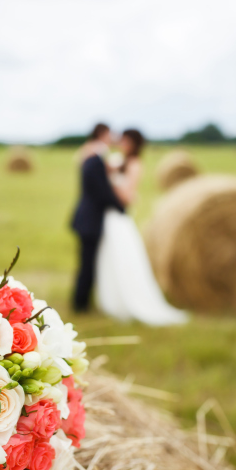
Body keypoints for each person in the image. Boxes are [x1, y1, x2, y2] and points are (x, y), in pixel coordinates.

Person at [95, 128, 188, 326]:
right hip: (108, 217)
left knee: (123, 258)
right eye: (122, 140)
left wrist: (109, 183)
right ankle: (111, 301)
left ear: (136, 144)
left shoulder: (135, 164)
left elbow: (128, 196)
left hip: (119, 218)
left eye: (128, 141)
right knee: (108, 259)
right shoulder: (116, 160)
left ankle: (129, 302)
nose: (123, 144)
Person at [71, 124, 125, 312]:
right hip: (89, 221)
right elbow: (102, 193)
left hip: (88, 219)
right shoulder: (94, 161)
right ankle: (80, 304)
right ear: (102, 134)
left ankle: (83, 301)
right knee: (87, 264)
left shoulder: (91, 158)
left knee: (88, 262)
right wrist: (121, 207)